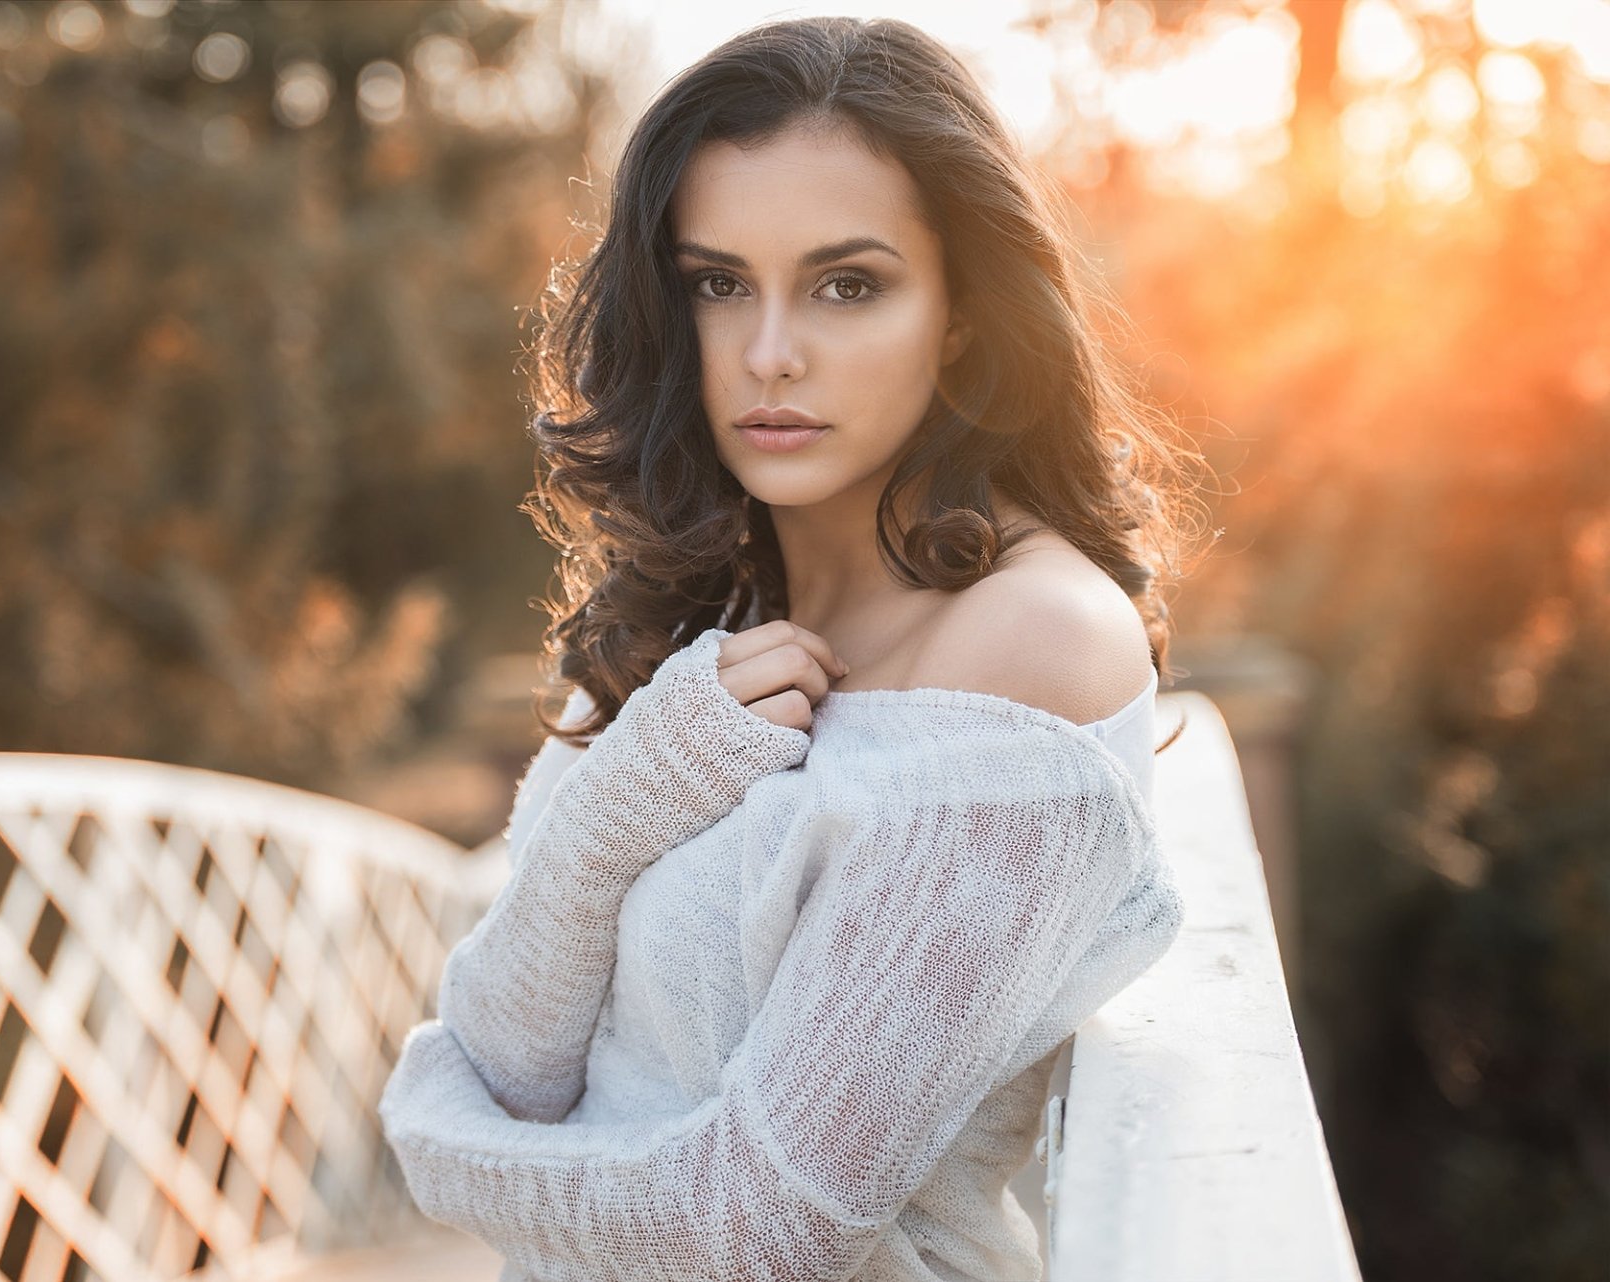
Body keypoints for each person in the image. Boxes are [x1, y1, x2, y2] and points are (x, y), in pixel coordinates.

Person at [380, 14, 1209, 1280]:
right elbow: (510, 1056)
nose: (771, 353)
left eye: (848, 284)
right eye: (719, 283)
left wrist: (441, 1148)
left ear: (968, 318)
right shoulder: (694, 620)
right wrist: (620, 808)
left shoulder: (1029, 638)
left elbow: (764, 1226)